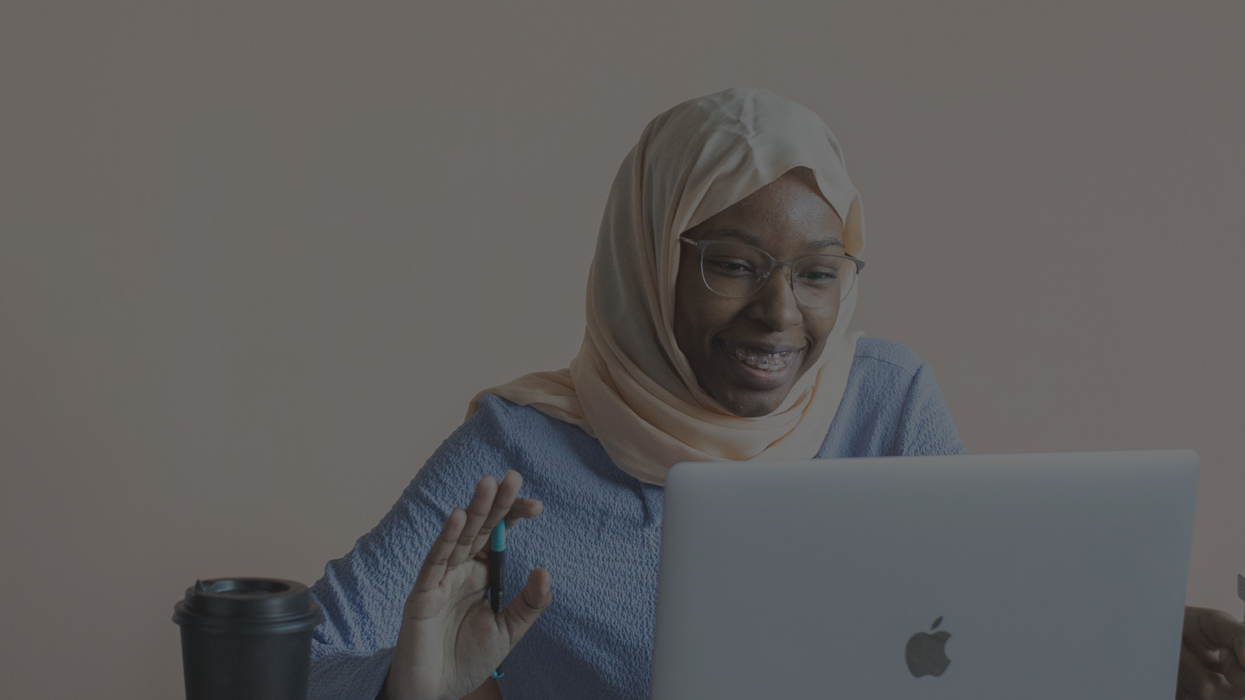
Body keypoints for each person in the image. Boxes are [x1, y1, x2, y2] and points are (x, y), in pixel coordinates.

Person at [306, 88, 1245, 700]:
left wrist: (1129, 653)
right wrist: (409, 683)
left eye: (816, 273)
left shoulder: (886, 401)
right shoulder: (520, 453)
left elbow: (971, 637)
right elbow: (295, 663)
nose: (778, 315)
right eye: (733, 265)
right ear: (646, 263)